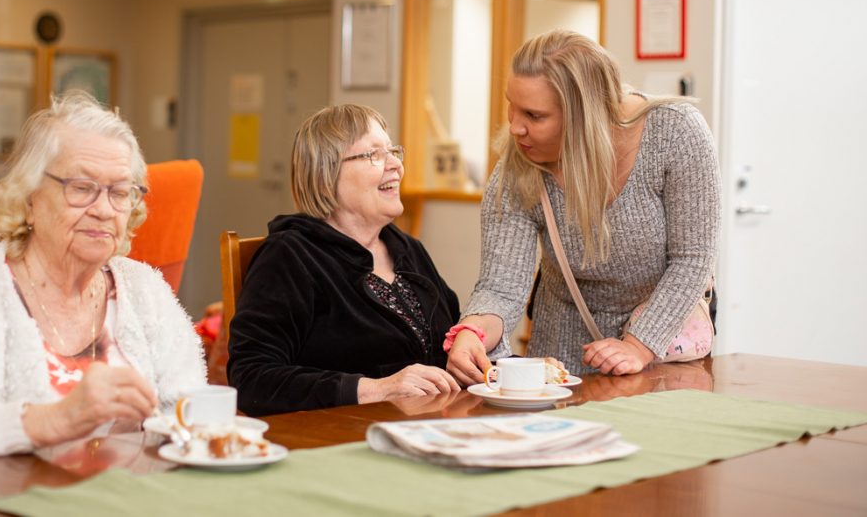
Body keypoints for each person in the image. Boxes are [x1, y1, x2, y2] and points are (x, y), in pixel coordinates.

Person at [0, 92, 207, 461]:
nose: (103, 209)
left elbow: (193, 408)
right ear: (29, 198)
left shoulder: (144, 290)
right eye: (81, 188)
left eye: (120, 192)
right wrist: (48, 421)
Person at [446, 30, 720, 381]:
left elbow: (692, 259)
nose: (515, 128)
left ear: (585, 115)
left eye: (534, 115)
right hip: (561, 340)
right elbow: (500, 286)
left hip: (662, 347)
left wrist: (638, 346)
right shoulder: (519, 166)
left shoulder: (675, 133)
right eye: (511, 106)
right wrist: (472, 331)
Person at [227, 104, 461, 416]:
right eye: (374, 155)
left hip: (430, 430)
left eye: (393, 151)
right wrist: (376, 389)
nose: (395, 166)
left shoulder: (407, 249)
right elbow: (251, 379)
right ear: (327, 173)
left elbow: (451, 342)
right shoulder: (290, 256)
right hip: (340, 442)